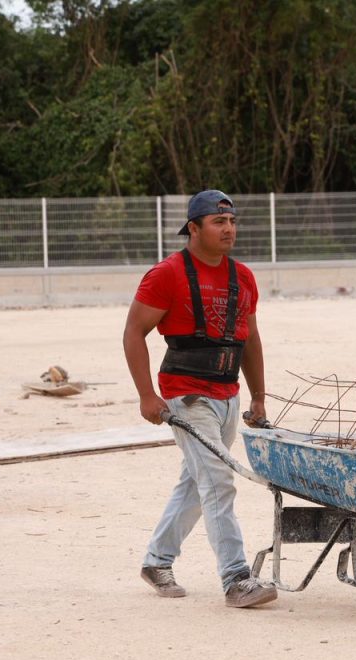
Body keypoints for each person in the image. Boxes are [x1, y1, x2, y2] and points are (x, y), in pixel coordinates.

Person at [123, 189, 277, 609]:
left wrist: (258, 396)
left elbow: (250, 339)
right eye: (218, 222)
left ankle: (157, 561)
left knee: (198, 481)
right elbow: (133, 332)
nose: (229, 229)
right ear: (193, 228)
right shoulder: (166, 275)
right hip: (187, 397)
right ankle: (236, 578)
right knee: (219, 483)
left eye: (232, 221)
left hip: (228, 395)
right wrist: (146, 396)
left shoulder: (242, 276)